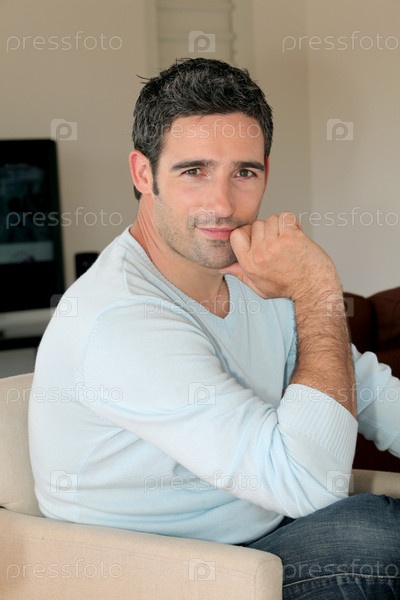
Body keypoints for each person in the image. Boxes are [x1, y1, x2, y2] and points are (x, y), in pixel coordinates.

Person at [29, 58, 400, 598]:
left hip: (258, 538)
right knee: (382, 537)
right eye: (194, 171)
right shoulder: (123, 318)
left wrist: (305, 299)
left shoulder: (248, 273)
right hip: (162, 576)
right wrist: (317, 291)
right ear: (142, 173)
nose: (223, 205)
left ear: (265, 172)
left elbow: (360, 386)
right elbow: (309, 486)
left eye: (243, 173)